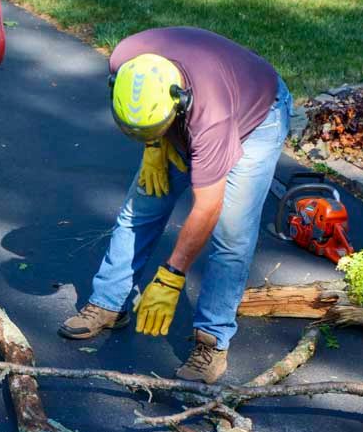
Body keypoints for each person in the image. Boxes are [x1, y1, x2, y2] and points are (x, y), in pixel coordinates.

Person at [57, 26, 291, 384]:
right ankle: (108, 302)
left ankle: (212, 340)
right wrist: (153, 145)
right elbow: (144, 111)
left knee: (232, 236)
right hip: (190, 106)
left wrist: (170, 276)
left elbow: (207, 207)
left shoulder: (212, 120)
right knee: (140, 210)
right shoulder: (125, 60)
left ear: (179, 106)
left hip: (254, 115)